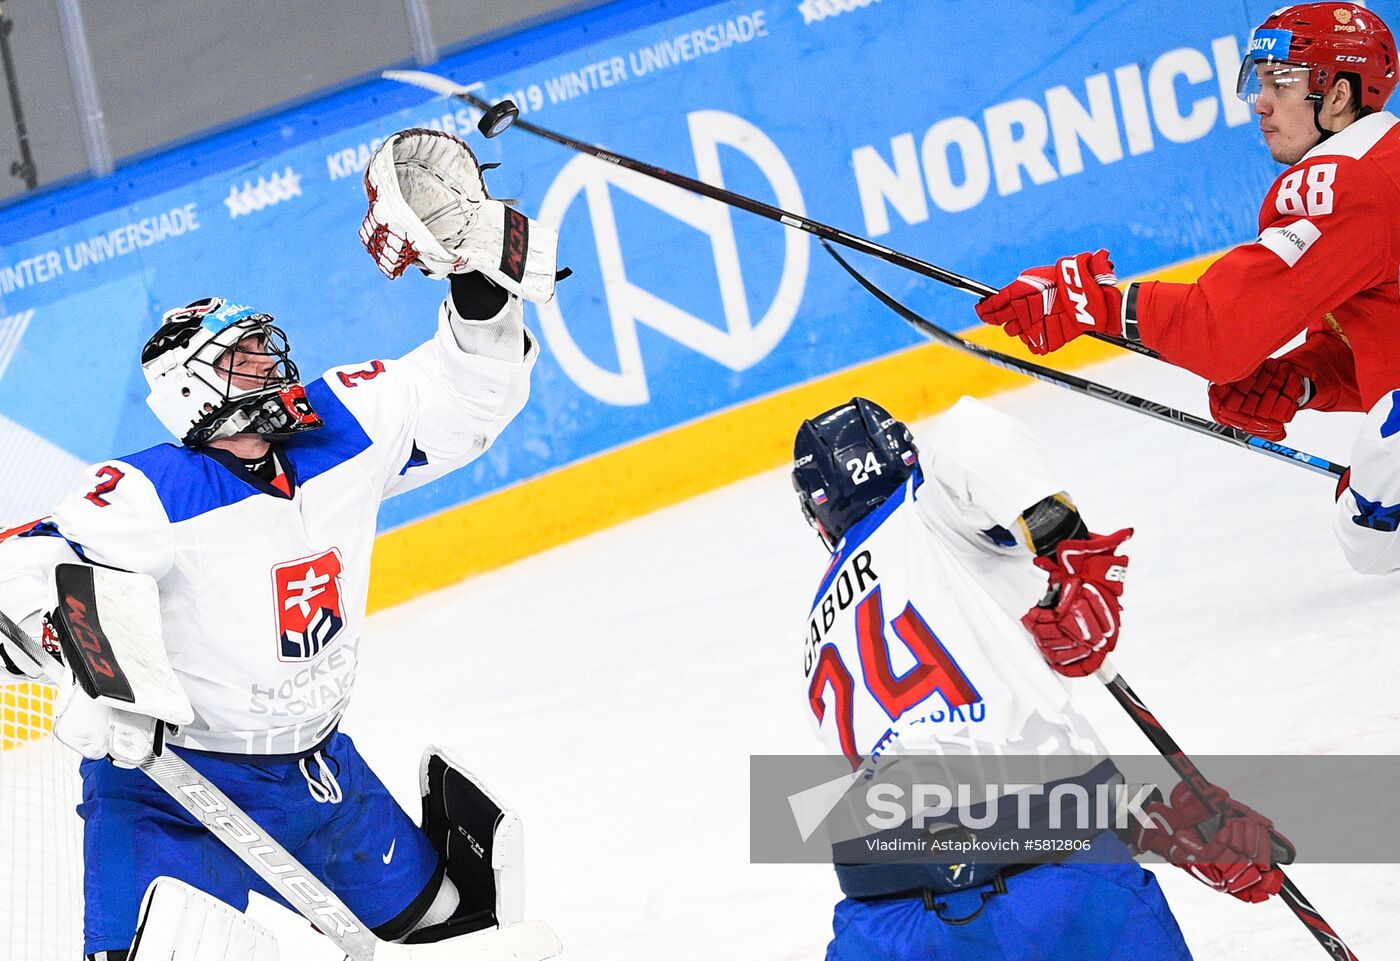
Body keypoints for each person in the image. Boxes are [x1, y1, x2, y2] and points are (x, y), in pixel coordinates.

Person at [0, 128, 557, 959]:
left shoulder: (345, 420)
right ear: (194, 391)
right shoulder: (152, 490)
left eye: (265, 344)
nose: (272, 362)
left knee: (453, 929)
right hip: (170, 790)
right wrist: (84, 661)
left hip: (316, 774)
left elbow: (465, 397)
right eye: (245, 356)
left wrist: (477, 281)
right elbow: (27, 561)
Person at [791, 395, 1291, 961]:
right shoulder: (928, 511)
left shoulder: (815, 635)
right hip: (1049, 890)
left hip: (882, 916)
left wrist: (1147, 822)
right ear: (908, 459)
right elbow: (969, 432)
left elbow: (938, 768)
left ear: (819, 516)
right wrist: (1074, 552)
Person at [974, 2, 1400, 573]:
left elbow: (1220, 332)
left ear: (1340, 95)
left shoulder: (1346, 182)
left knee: (1370, 532)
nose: (1261, 102)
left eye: (1281, 83)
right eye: (1259, 82)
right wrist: (1306, 379)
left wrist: (1094, 304)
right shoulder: (1383, 164)